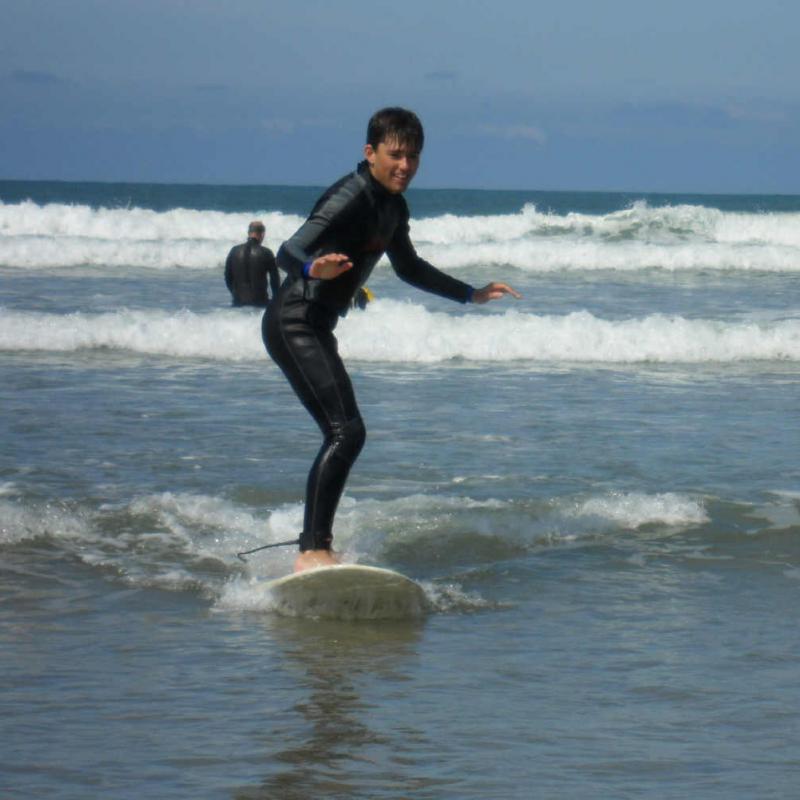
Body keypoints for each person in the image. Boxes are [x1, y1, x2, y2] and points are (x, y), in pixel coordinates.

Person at [263, 107, 521, 572]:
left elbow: (409, 268)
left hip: (317, 325)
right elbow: (289, 248)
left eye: (414, 157)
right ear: (371, 152)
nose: (405, 166)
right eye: (395, 155)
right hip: (293, 320)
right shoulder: (351, 194)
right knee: (346, 432)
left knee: (343, 433)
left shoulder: (393, 206)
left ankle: (316, 545)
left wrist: (470, 294)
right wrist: (309, 268)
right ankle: (312, 551)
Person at [225, 221, 281, 307]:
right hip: (260, 303)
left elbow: (228, 277)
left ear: (248, 233)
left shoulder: (234, 251)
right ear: (262, 234)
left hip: (238, 303)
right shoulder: (266, 252)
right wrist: (277, 300)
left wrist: (234, 294)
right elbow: (275, 280)